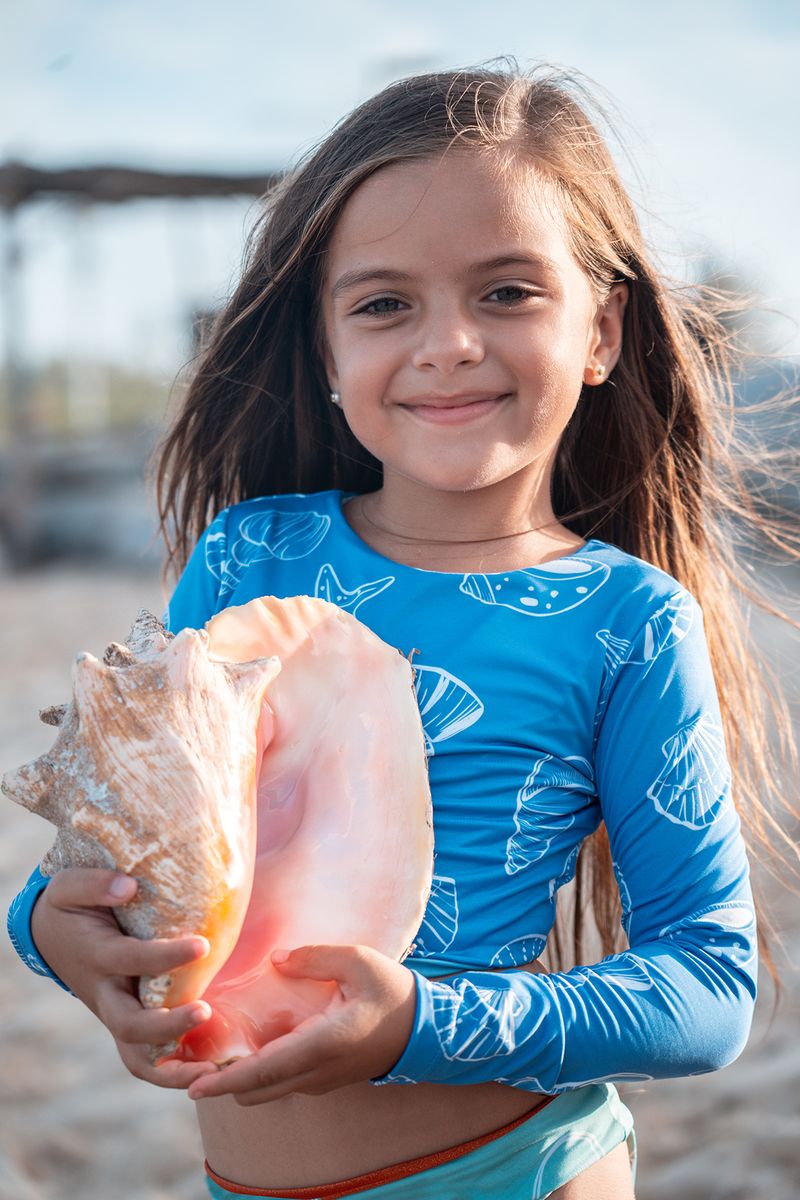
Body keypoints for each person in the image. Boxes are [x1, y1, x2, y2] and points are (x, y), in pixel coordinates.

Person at [7, 63, 797, 1200]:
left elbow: (708, 988)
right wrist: (51, 930)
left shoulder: (624, 619)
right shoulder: (250, 556)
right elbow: (126, 858)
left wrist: (416, 1025)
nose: (448, 345)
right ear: (327, 350)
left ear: (601, 330)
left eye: (507, 293)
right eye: (383, 304)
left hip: (518, 1171)